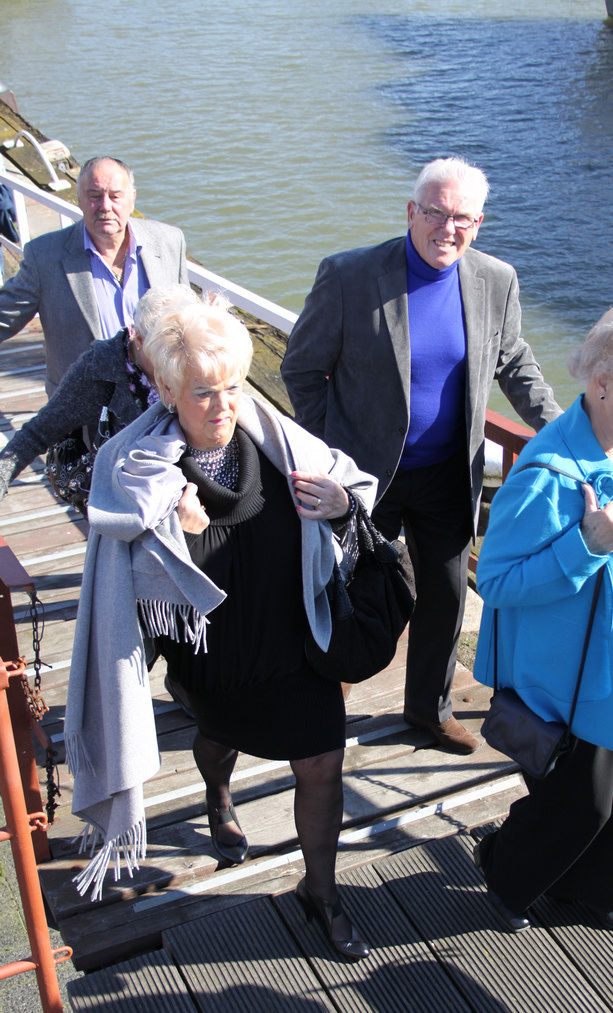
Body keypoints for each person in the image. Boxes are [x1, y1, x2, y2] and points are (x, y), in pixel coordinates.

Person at [64, 301, 377, 962]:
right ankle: (217, 791)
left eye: (232, 386)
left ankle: (322, 893)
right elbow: (130, 591)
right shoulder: (139, 471)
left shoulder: (280, 443)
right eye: (203, 392)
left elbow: (352, 491)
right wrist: (172, 535)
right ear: (167, 389)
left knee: (323, 763)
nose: (223, 405)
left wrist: (342, 504)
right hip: (215, 655)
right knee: (217, 738)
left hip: (296, 642)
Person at [281, 157, 562, 755]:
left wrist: (564, 430)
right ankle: (326, 700)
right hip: (363, 477)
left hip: (446, 475)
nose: (447, 228)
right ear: (412, 211)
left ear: (478, 223)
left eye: (462, 218)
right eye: (435, 212)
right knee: (350, 591)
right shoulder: (351, 276)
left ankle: (427, 710)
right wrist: (328, 453)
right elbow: (302, 369)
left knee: (447, 597)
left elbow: (515, 362)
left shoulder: (496, 280)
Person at [472, 291, 613, 935]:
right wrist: (585, 545)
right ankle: (505, 871)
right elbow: (498, 580)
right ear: (603, 384)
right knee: (583, 804)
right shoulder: (546, 471)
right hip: (582, 679)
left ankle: (594, 890)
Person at [0, 157, 188, 395]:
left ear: (132, 198)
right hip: (85, 406)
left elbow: (189, 322)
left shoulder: (169, 242)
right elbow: (5, 316)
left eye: (115, 196)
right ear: (79, 199)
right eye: (94, 196)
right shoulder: (45, 256)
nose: (105, 206)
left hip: (162, 400)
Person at [0, 284, 197, 506]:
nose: (177, 359)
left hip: (195, 497)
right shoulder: (98, 369)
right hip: (126, 505)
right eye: (166, 349)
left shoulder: (197, 355)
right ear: (139, 339)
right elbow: (38, 433)